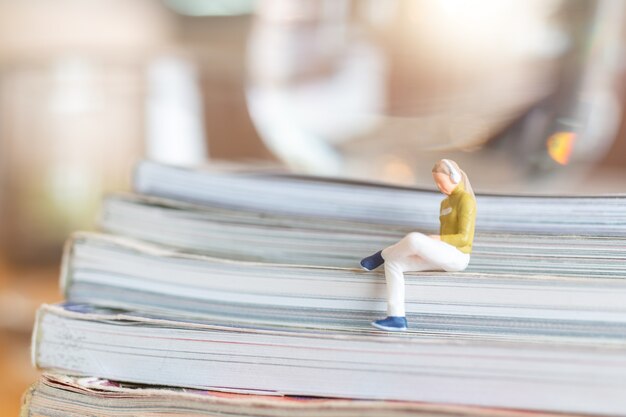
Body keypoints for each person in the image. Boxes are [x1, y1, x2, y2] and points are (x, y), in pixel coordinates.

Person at [360, 159, 477, 331]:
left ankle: (382, 254)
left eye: (442, 182)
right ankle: (396, 317)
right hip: (442, 253)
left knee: (415, 238)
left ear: (455, 177)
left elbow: (464, 239)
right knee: (394, 263)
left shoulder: (465, 200)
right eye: (437, 183)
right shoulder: (445, 203)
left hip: (457, 256)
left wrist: (437, 239)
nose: (440, 187)